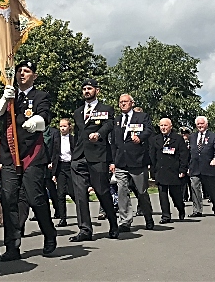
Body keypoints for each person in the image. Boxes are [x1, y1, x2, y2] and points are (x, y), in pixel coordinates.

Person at [0, 60, 56, 261]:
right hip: (10, 155)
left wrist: (35, 122)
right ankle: (12, 246)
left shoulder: (40, 96)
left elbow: (45, 117)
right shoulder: (11, 96)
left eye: (26, 71)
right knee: (9, 199)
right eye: (19, 71)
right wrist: (4, 99)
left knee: (35, 198)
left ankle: (49, 234)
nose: (21, 74)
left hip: (32, 154)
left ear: (34, 76)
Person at [69, 79, 119, 241]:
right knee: (80, 194)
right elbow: (77, 134)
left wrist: (99, 134)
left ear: (97, 90)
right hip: (79, 157)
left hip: (97, 157)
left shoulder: (106, 109)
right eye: (84, 89)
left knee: (102, 191)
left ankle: (113, 223)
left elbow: (109, 124)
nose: (86, 91)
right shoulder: (77, 112)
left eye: (89, 88)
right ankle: (85, 230)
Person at [112, 93, 155, 231]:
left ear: (132, 103)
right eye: (120, 102)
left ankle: (148, 217)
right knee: (122, 191)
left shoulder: (141, 117)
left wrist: (141, 138)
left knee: (141, 192)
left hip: (137, 161)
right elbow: (113, 141)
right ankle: (125, 221)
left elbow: (149, 130)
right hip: (120, 162)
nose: (122, 104)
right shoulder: (117, 120)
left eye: (125, 101)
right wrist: (112, 161)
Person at [149, 118, 188, 223]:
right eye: (161, 125)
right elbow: (152, 156)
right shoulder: (155, 139)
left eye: (165, 125)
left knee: (176, 195)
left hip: (174, 171)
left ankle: (181, 208)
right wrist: (153, 171)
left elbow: (184, 155)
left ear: (170, 126)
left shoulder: (178, 139)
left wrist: (182, 170)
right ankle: (165, 216)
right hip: (160, 171)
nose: (163, 128)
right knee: (162, 194)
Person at [188, 116, 215, 216]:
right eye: (198, 124)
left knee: (212, 189)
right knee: (194, 187)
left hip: (209, 167)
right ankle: (197, 210)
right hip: (195, 167)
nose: (200, 126)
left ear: (206, 124)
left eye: (202, 123)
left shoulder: (213, 136)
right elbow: (189, 153)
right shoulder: (192, 137)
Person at [51, 118, 75, 227]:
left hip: (70, 166)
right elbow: (53, 153)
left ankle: (81, 215)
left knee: (72, 192)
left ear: (69, 127)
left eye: (64, 126)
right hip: (60, 166)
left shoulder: (73, 139)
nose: (62, 128)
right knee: (60, 194)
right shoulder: (56, 139)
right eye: (61, 126)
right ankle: (62, 218)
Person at [179, 127, 193, 201]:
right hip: (183, 164)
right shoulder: (180, 143)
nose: (184, 135)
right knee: (183, 182)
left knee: (191, 183)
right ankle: (184, 196)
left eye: (185, 134)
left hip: (190, 164)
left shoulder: (192, 142)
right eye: (183, 134)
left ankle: (192, 196)